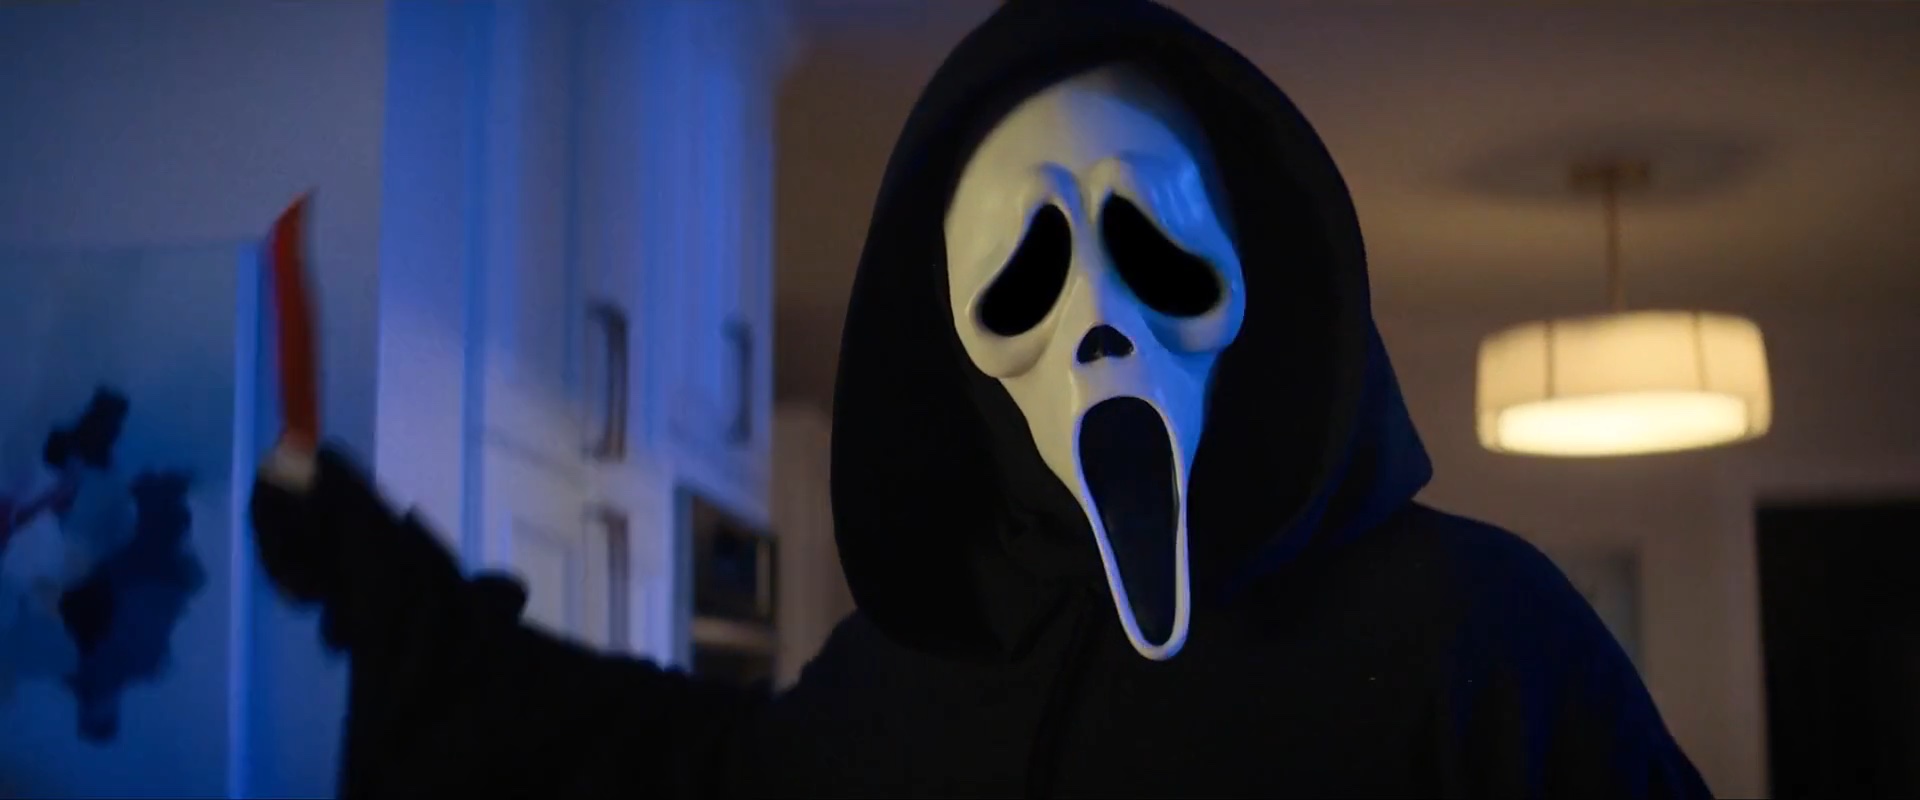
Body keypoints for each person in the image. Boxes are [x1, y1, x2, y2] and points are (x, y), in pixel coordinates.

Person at [250, 0, 1713, 797]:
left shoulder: (1480, 636)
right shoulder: (905, 677)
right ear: (958, 353)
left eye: (1155, 251)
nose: (1102, 333)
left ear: (1255, 275)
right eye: (1027, 282)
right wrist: (386, 580)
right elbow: (665, 761)